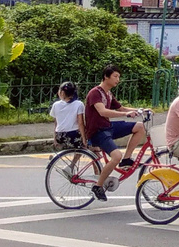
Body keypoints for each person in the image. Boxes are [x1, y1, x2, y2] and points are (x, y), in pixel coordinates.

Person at [83, 65, 149, 199]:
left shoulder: (108, 93)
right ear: (106, 77)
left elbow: (121, 108)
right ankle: (98, 186)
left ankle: (126, 160)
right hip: (98, 131)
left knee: (140, 127)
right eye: (115, 76)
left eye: (119, 77)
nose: (118, 79)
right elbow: (103, 112)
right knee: (116, 156)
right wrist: (127, 114)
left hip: (108, 127)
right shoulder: (95, 93)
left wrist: (140, 110)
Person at [49, 82, 84, 150]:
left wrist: (54, 139)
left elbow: (56, 123)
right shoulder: (79, 104)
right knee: (83, 148)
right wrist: (84, 138)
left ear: (62, 93)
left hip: (59, 136)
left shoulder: (55, 105)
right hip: (73, 136)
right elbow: (80, 123)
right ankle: (74, 161)